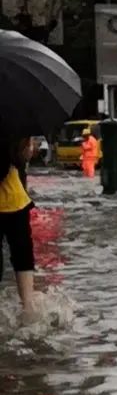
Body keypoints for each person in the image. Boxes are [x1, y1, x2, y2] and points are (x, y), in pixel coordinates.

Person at [0, 135, 36, 320]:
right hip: (15, 201)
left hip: (14, 201)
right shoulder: (13, 124)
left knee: (22, 253)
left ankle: (28, 307)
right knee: (22, 253)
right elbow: (22, 158)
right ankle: (28, 307)